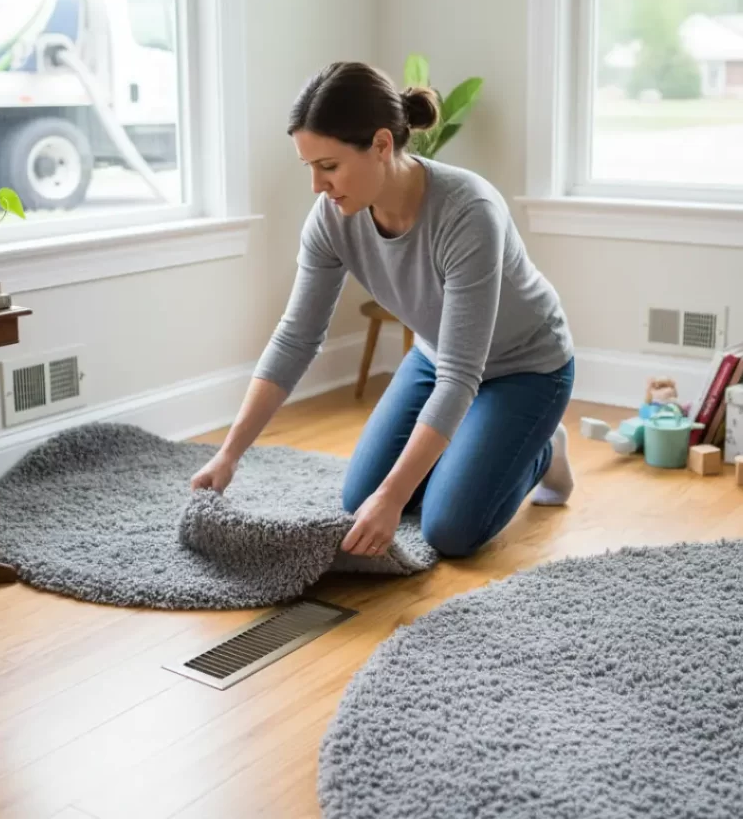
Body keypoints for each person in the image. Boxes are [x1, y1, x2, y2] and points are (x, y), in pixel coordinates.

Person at [190, 61, 576, 558]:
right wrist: (229, 454)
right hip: (438, 358)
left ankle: (543, 448)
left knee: (449, 529)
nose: (317, 186)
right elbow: (296, 338)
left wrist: (394, 497)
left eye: (328, 166)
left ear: (380, 145)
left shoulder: (468, 213)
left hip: (527, 368)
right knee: (359, 500)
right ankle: (478, 447)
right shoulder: (332, 218)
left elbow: (461, 377)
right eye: (309, 168)